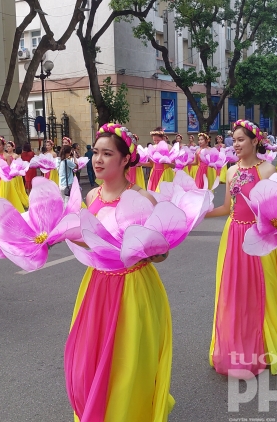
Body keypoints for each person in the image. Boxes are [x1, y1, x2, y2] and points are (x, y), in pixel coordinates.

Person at [66, 123, 174, 420]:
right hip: (98, 283)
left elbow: (162, 253)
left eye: (107, 154)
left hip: (134, 287)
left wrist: (146, 248)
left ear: (126, 159)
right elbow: (91, 239)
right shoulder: (91, 198)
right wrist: (55, 235)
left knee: (129, 359)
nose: (97, 160)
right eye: (95, 153)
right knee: (94, 355)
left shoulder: (144, 199)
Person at [205, 119, 277, 377]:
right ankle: (238, 345)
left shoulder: (268, 171)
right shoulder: (231, 171)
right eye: (233, 140)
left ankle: (269, 345)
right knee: (234, 290)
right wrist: (198, 214)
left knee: (264, 289)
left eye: (240, 139)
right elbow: (227, 208)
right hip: (233, 234)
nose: (235, 144)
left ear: (255, 141)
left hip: (259, 235)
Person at [0, 137, 25, 212]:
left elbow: (9, 170)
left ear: (3, 145)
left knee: (3, 197)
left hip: (4, 180)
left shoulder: (7, 156)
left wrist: (15, 173)